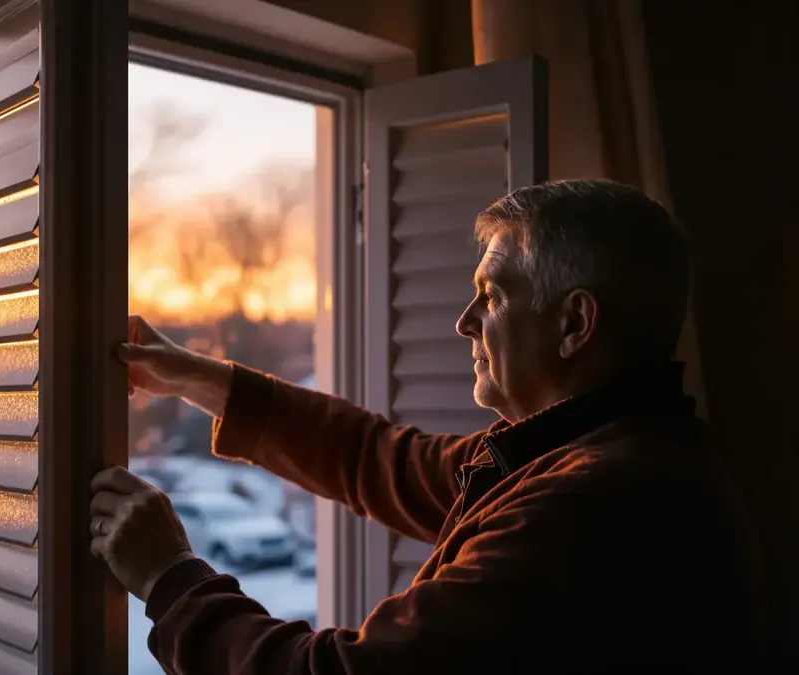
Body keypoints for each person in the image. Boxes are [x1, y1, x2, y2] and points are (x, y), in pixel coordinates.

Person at [89, 180, 764, 673]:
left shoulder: (589, 504)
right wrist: (191, 375)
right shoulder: (594, 448)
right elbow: (373, 456)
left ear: (574, 324)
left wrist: (171, 577)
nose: (465, 321)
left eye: (492, 296)